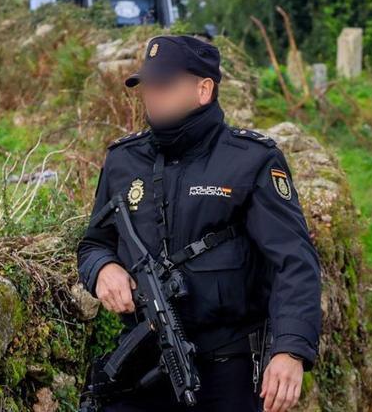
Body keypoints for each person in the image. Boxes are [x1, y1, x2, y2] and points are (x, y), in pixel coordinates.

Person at [77, 35, 322, 411]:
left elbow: (294, 261)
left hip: (230, 370)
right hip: (144, 363)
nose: (151, 96)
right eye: (147, 86)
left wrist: (290, 349)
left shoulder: (251, 160)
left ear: (203, 88)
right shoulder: (123, 160)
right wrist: (103, 269)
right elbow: (94, 243)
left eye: (165, 85)